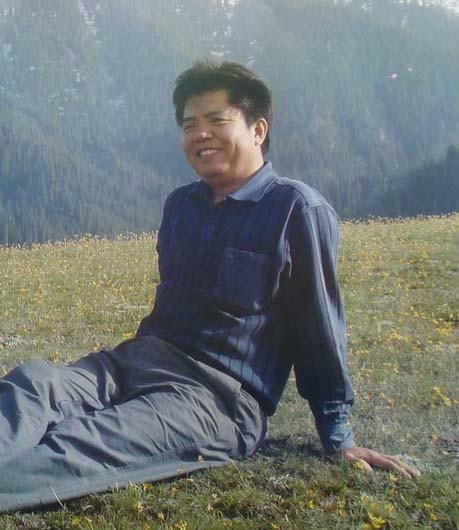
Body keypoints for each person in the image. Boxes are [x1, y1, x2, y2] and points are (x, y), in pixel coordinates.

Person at [0, 60, 419, 513]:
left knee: (81, 441)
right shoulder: (181, 205)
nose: (200, 134)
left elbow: (319, 327)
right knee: (33, 384)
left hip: (215, 397)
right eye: (189, 124)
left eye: (217, 120)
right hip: (134, 362)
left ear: (258, 130)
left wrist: (338, 436)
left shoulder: (296, 210)